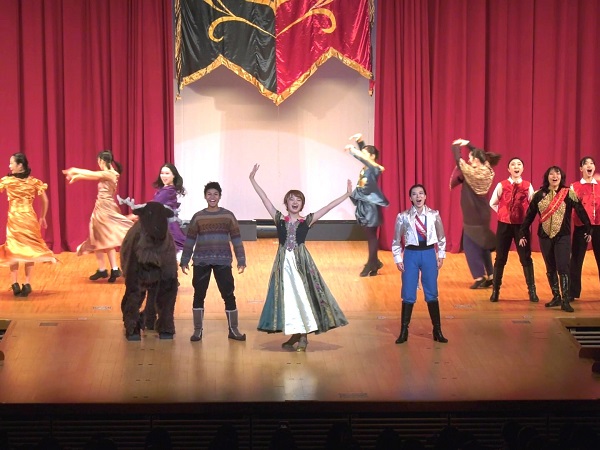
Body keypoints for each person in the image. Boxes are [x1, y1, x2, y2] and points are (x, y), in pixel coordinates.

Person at [249, 164, 350, 352]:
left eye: (298, 199)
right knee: (289, 298)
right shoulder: (279, 219)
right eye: (291, 199)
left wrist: (346, 194)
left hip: (301, 264)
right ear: (286, 203)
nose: (294, 202)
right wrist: (252, 179)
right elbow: (265, 198)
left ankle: (303, 336)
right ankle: (296, 333)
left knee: (303, 296)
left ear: (302, 204)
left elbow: (328, 207)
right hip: (283, 264)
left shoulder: (307, 220)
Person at [180, 181, 247, 342]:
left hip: (223, 260)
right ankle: (197, 331)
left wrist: (241, 259)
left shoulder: (228, 216)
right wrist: (184, 260)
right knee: (199, 295)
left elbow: (236, 238)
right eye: (209, 194)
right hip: (201, 261)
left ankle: (233, 330)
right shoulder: (198, 217)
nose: (212, 197)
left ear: (220, 196)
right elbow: (190, 239)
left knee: (228, 294)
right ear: (205, 196)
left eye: (215, 194)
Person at [519, 166, 591, 313]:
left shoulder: (568, 193)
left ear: (561, 177)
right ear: (547, 177)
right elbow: (529, 216)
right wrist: (522, 233)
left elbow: (580, 211)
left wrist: (589, 228)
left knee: (563, 266)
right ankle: (556, 296)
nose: (554, 176)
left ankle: (565, 300)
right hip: (544, 237)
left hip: (563, 236)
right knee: (550, 267)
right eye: (551, 174)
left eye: (557, 174)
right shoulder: (538, 195)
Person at [63, 150, 134, 282]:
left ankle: (113, 269)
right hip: (101, 208)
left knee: (104, 237)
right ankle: (106, 269)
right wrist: (78, 176)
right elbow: (92, 176)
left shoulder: (110, 173)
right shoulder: (108, 174)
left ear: (102, 161)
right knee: (98, 237)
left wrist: (75, 170)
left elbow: (92, 174)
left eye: (98, 161)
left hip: (105, 209)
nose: (98, 164)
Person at [391, 184, 447, 344]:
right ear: (410, 198)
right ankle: (404, 331)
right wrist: (398, 258)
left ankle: (437, 330)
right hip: (411, 255)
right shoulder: (403, 216)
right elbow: (396, 240)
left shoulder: (434, 215)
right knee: (408, 292)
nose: (418, 196)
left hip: (429, 254)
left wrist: (441, 255)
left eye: (421, 193)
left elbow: (441, 237)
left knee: (432, 292)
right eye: (414, 194)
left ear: (425, 196)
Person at [0, 152, 56, 297]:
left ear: (20, 165)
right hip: (29, 219)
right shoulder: (34, 182)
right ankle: (27, 283)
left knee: (14, 250)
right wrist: (42, 217)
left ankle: (14, 283)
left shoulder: (7, 181)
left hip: (14, 220)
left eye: (11, 163)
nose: (9, 166)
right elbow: (45, 201)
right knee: (29, 250)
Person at [450, 138, 501, 289]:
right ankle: (491, 275)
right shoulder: (488, 169)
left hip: (472, 213)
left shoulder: (472, 172)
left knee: (470, 245)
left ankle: (479, 276)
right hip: (483, 213)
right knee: (482, 243)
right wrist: (469, 145)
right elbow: (481, 155)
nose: (469, 159)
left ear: (477, 161)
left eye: (471, 158)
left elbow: (459, 161)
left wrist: (455, 146)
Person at [488, 157, 539, 302]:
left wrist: (526, 218)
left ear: (523, 168)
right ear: (508, 169)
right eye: (513, 164)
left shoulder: (528, 185)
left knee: (525, 257)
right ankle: (495, 291)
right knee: (500, 257)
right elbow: (493, 202)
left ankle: (532, 291)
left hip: (521, 227)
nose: (516, 167)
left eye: (519, 164)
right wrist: (503, 213)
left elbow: (533, 204)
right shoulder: (501, 185)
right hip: (504, 226)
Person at [345, 133, 389, 277]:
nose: (363, 156)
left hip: (371, 207)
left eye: (365, 154)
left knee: (371, 236)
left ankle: (371, 263)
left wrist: (354, 149)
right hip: (365, 205)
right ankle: (375, 262)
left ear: (372, 157)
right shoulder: (368, 167)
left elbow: (364, 157)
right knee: (370, 235)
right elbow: (365, 156)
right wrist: (360, 141)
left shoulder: (374, 168)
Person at [570, 156, 600, 300]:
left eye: (592, 163)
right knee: (576, 259)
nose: (589, 166)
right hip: (581, 226)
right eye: (586, 164)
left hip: (599, 225)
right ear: (581, 168)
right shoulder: (574, 186)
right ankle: (573, 292)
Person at [150, 163, 187, 259]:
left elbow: (154, 206)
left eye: (167, 173)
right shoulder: (167, 189)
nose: (163, 176)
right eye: (162, 173)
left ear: (173, 175)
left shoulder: (167, 191)